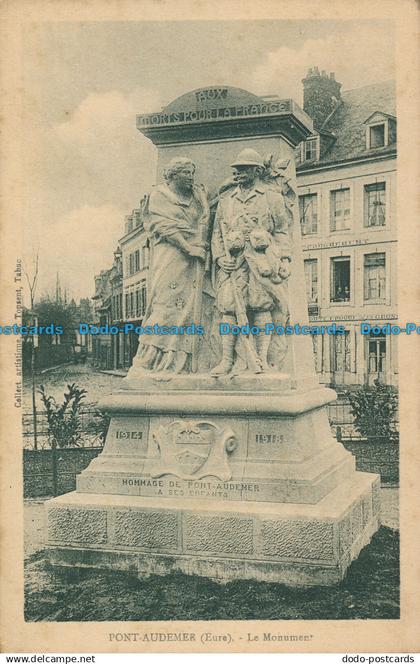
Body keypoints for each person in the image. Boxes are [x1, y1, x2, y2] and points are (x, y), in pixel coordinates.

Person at [211, 148, 291, 375]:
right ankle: (227, 360)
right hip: (233, 263)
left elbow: (282, 232)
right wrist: (219, 258)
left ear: (257, 170)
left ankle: (262, 359)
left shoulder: (272, 198)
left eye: (244, 169)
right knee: (228, 309)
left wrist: (285, 259)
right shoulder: (226, 201)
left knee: (261, 308)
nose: (238, 173)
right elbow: (217, 234)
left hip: (262, 262)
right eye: (236, 169)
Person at [131, 157, 209, 373]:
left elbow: (203, 218)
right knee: (165, 303)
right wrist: (189, 247)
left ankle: (175, 358)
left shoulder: (194, 196)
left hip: (191, 262)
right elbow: (163, 226)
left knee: (185, 307)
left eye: (192, 173)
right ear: (173, 175)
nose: (191, 178)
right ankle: (150, 356)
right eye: (187, 173)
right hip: (171, 256)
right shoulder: (159, 196)